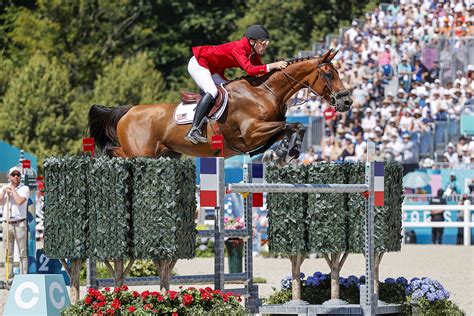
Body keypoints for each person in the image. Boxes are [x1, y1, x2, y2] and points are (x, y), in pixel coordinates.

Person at [185, 25, 288, 144]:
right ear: (252, 41)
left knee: (229, 92)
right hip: (199, 64)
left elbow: (260, 73)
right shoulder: (238, 48)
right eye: (263, 43)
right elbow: (250, 69)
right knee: (212, 91)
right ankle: (194, 129)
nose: (265, 46)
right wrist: (273, 65)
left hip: (214, 70)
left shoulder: (253, 53)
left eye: (266, 43)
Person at [0, 166, 30, 284]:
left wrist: (12, 190)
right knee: (8, 253)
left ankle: (24, 278)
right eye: (13, 175)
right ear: (10, 176)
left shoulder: (25, 188)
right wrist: (4, 192)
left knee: (22, 252)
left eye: (18, 175)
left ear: (20, 176)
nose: (16, 176)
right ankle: (9, 278)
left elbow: (19, 201)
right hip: (7, 223)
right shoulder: (4, 187)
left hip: (20, 223)